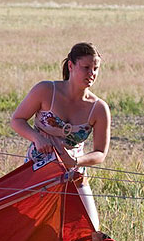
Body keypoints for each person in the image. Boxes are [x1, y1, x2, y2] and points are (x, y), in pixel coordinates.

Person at [10, 42, 111, 230]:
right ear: (71, 66)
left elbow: (100, 153)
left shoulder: (99, 108)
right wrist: (37, 138)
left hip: (74, 174)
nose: (92, 74)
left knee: (90, 231)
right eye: (86, 68)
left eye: (96, 69)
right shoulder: (45, 90)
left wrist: (75, 160)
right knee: (28, 226)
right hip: (36, 170)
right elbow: (17, 119)